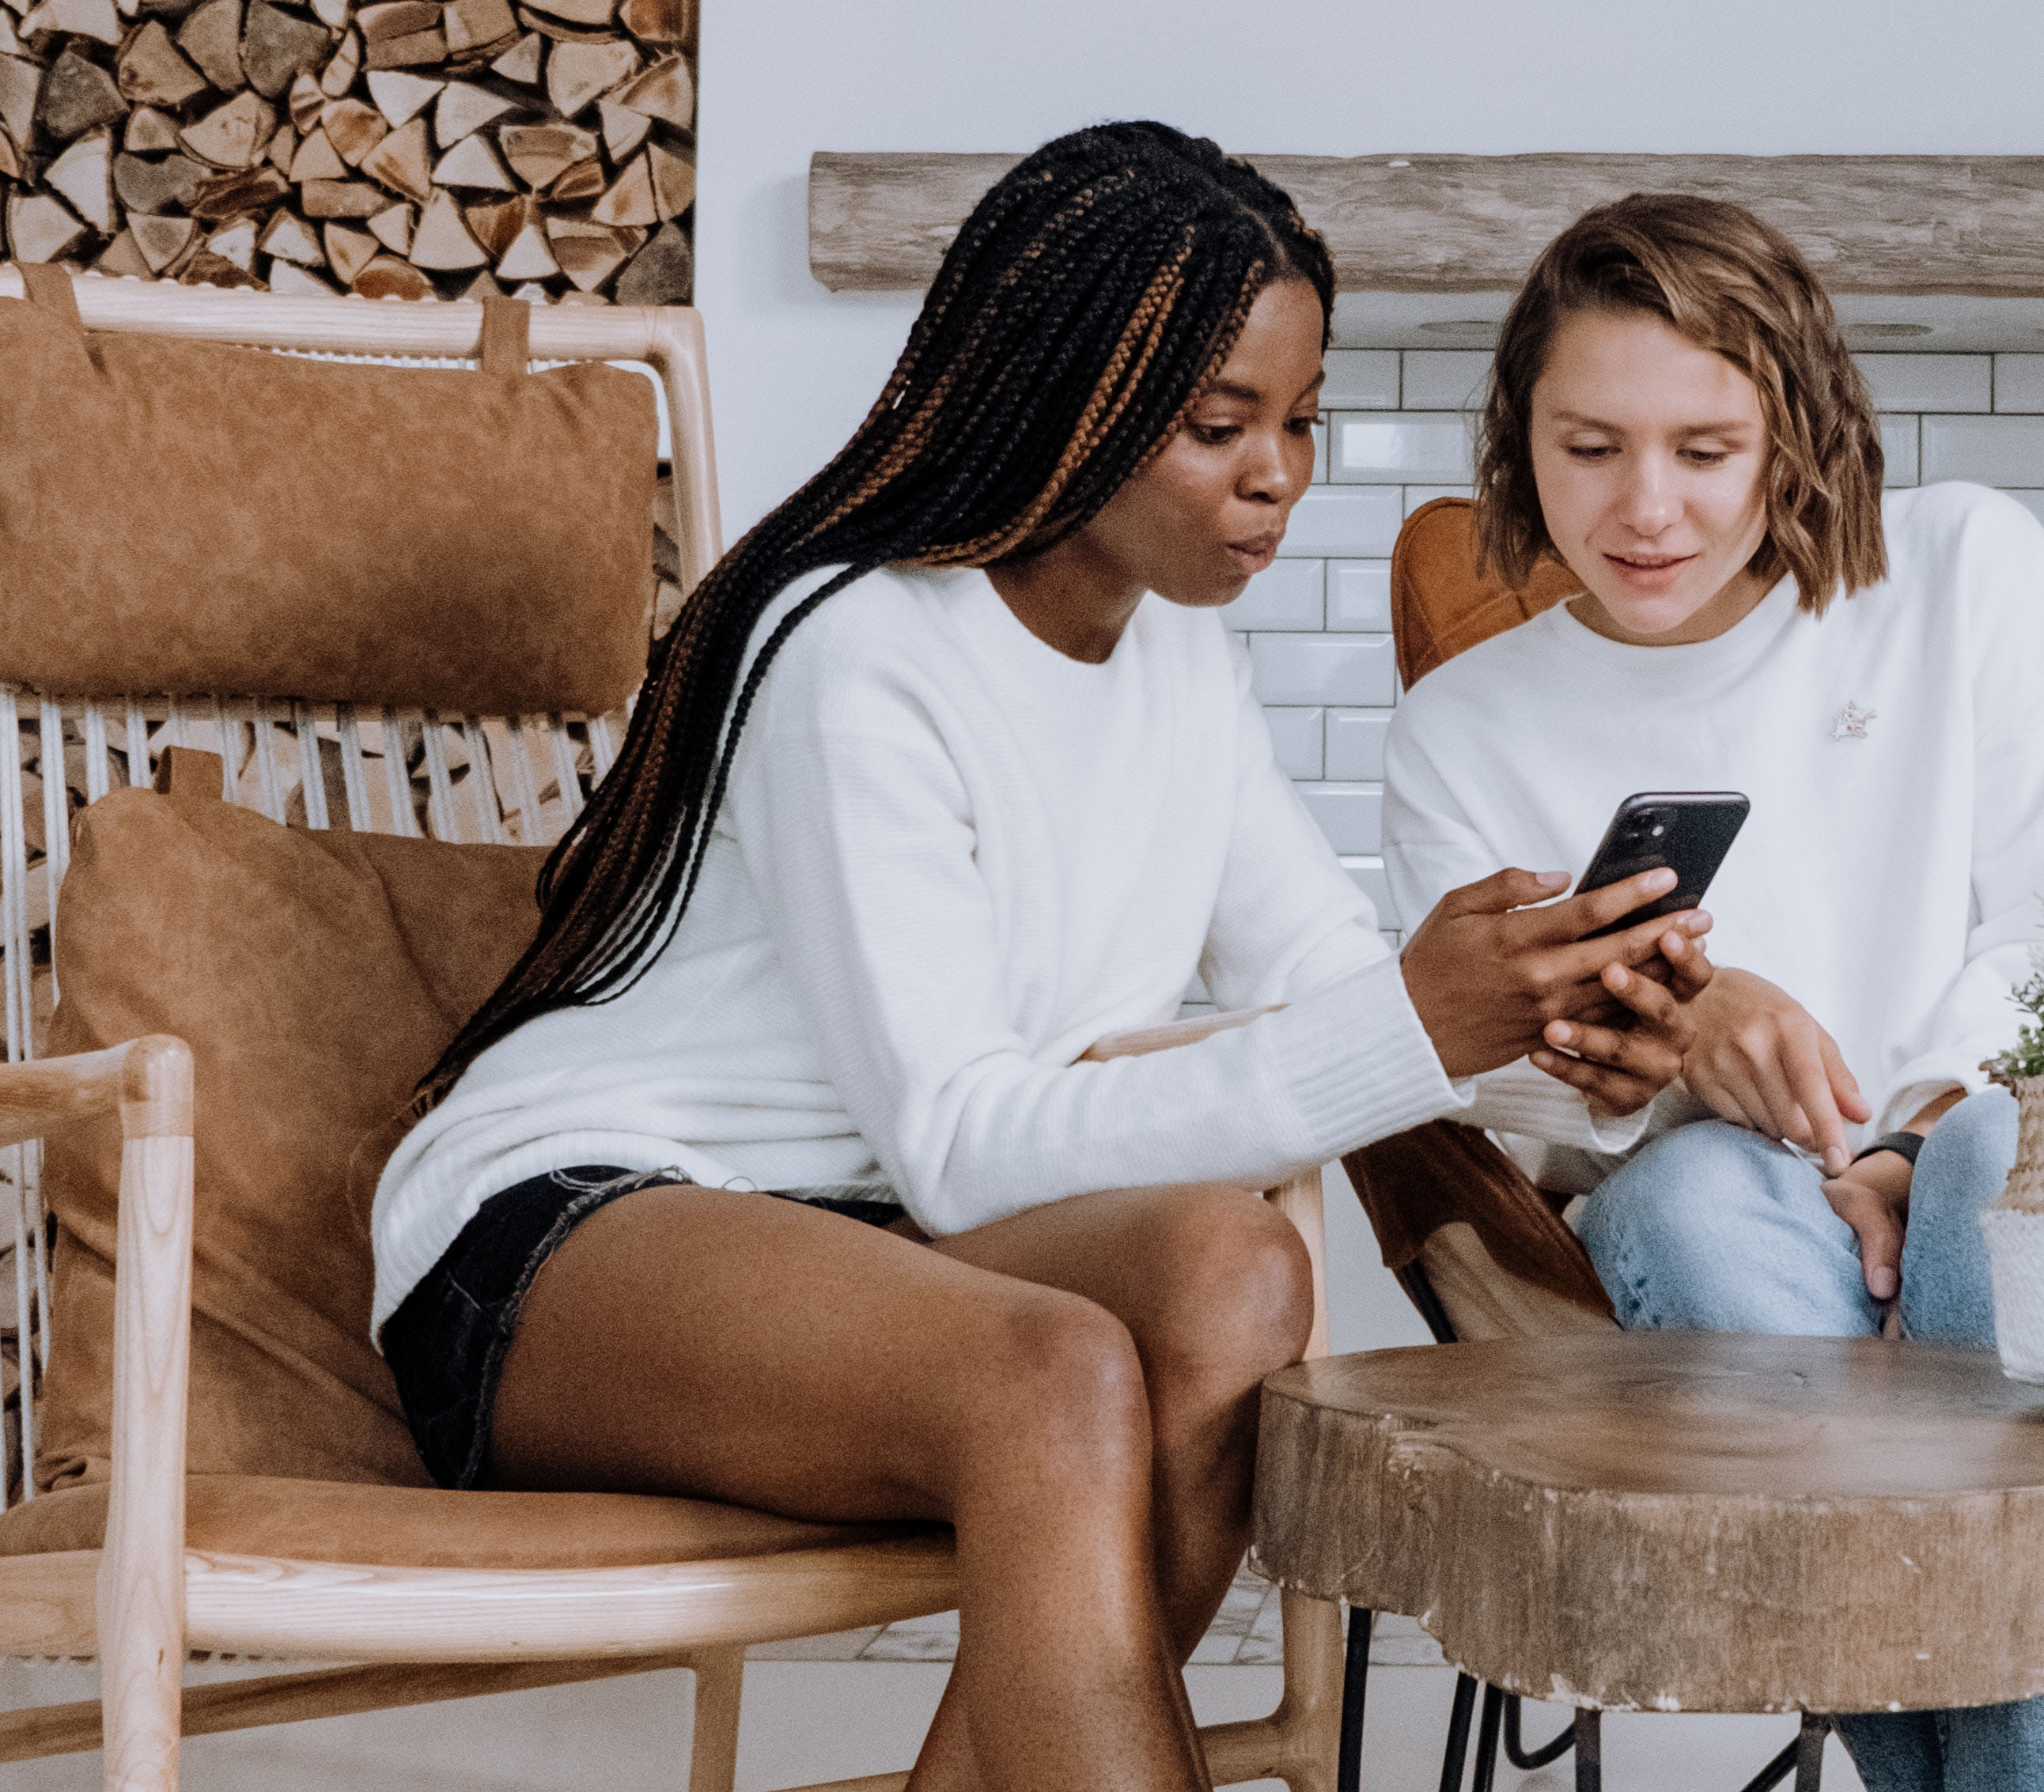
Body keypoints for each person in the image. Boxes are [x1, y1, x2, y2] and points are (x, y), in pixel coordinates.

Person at [369, 123, 1710, 1792]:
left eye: (1299, 421)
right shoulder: (852, 648)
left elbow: (1328, 988)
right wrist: (1420, 1025)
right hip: (579, 1232)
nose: (1278, 471)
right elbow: (960, 1140)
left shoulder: (1182, 675)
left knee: (1233, 1278)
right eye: (1221, 425)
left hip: (882, 1246)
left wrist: (1542, 1025)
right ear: (1066, 400)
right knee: (1055, 1375)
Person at [1378, 193, 2044, 1791]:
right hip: (1718, 1248)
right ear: (1519, 439)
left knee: (1997, 1170)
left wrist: (1904, 1139)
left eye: (1704, 448)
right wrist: (1674, 1039)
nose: (1646, 508)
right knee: (1691, 1206)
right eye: (1589, 446)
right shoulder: (1468, 729)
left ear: (1792, 433)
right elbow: (1481, 1086)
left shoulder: (1959, 570)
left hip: (1967, 1174)